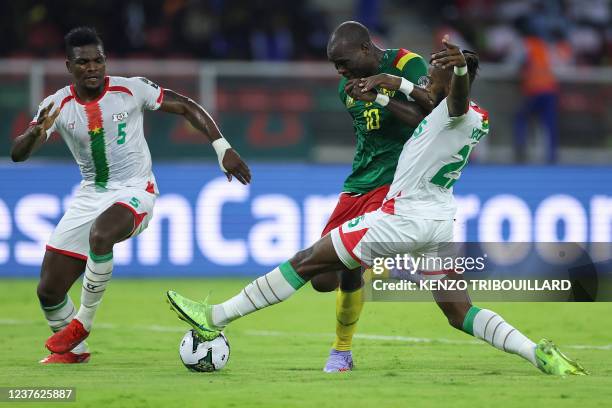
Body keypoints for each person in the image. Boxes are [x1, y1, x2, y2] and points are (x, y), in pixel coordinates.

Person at [166, 36, 587, 376]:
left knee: (308, 261)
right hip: (439, 222)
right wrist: (388, 96)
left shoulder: (454, 109)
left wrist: (446, 72)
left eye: (432, 77)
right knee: (459, 311)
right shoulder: (477, 117)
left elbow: (449, 101)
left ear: (453, 82)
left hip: (402, 218)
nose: (426, 82)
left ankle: (215, 316)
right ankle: (538, 353)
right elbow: (427, 116)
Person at [10, 27, 251, 364]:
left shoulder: (131, 89)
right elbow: (18, 155)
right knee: (48, 291)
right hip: (91, 194)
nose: (92, 67)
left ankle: (83, 322)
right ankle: (75, 353)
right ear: (69, 66)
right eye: (83, 62)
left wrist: (222, 147)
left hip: (137, 190)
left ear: (105, 61)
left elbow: (186, 106)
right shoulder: (56, 105)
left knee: (102, 234)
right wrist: (35, 133)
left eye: (98, 60)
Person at [315, 21, 431, 372]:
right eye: (335, 64)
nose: (339, 70)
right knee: (323, 279)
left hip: (397, 181)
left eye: (344, 62)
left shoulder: (408, 64)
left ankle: (340, 350)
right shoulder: (345, 89)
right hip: (358, 183)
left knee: (352, 262)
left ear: (366, 48)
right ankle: (374, 266)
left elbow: (426, 119)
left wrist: (383, 92)